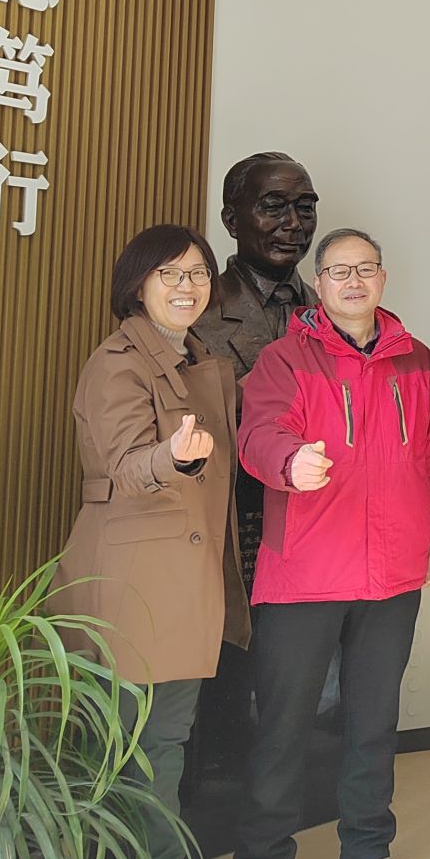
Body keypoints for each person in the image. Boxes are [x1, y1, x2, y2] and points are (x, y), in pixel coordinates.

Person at [217, 230, 430, 859]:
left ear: (383, 277)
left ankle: (366, 852)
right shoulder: (286, 358)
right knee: (282, 724)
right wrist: (289, 463)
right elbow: (257, 435)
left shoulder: (416, 359)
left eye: (364, 269)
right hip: (305, 572)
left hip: (392, 571)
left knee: (373, 721)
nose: (353, 281)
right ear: (319, 283)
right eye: (339, 271)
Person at [54, 226, 246, 859]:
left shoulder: (196, 359)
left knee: (158, 750)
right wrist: (175, 458)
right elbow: (125, 465)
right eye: (170, 274)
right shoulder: (118, 363)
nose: (187, 286)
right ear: (138, 284)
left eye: (198, 273)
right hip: (135, 591)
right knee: (142, 758)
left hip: (181, 587)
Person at [188, 153, 318, 778]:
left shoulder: (331, 307)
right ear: (231, 219)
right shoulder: (198, 308)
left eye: (305, 208)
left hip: (317, 527)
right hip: (230, 527)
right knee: (227, 680)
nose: (293, 223)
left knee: (306, 683)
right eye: (273, 207)